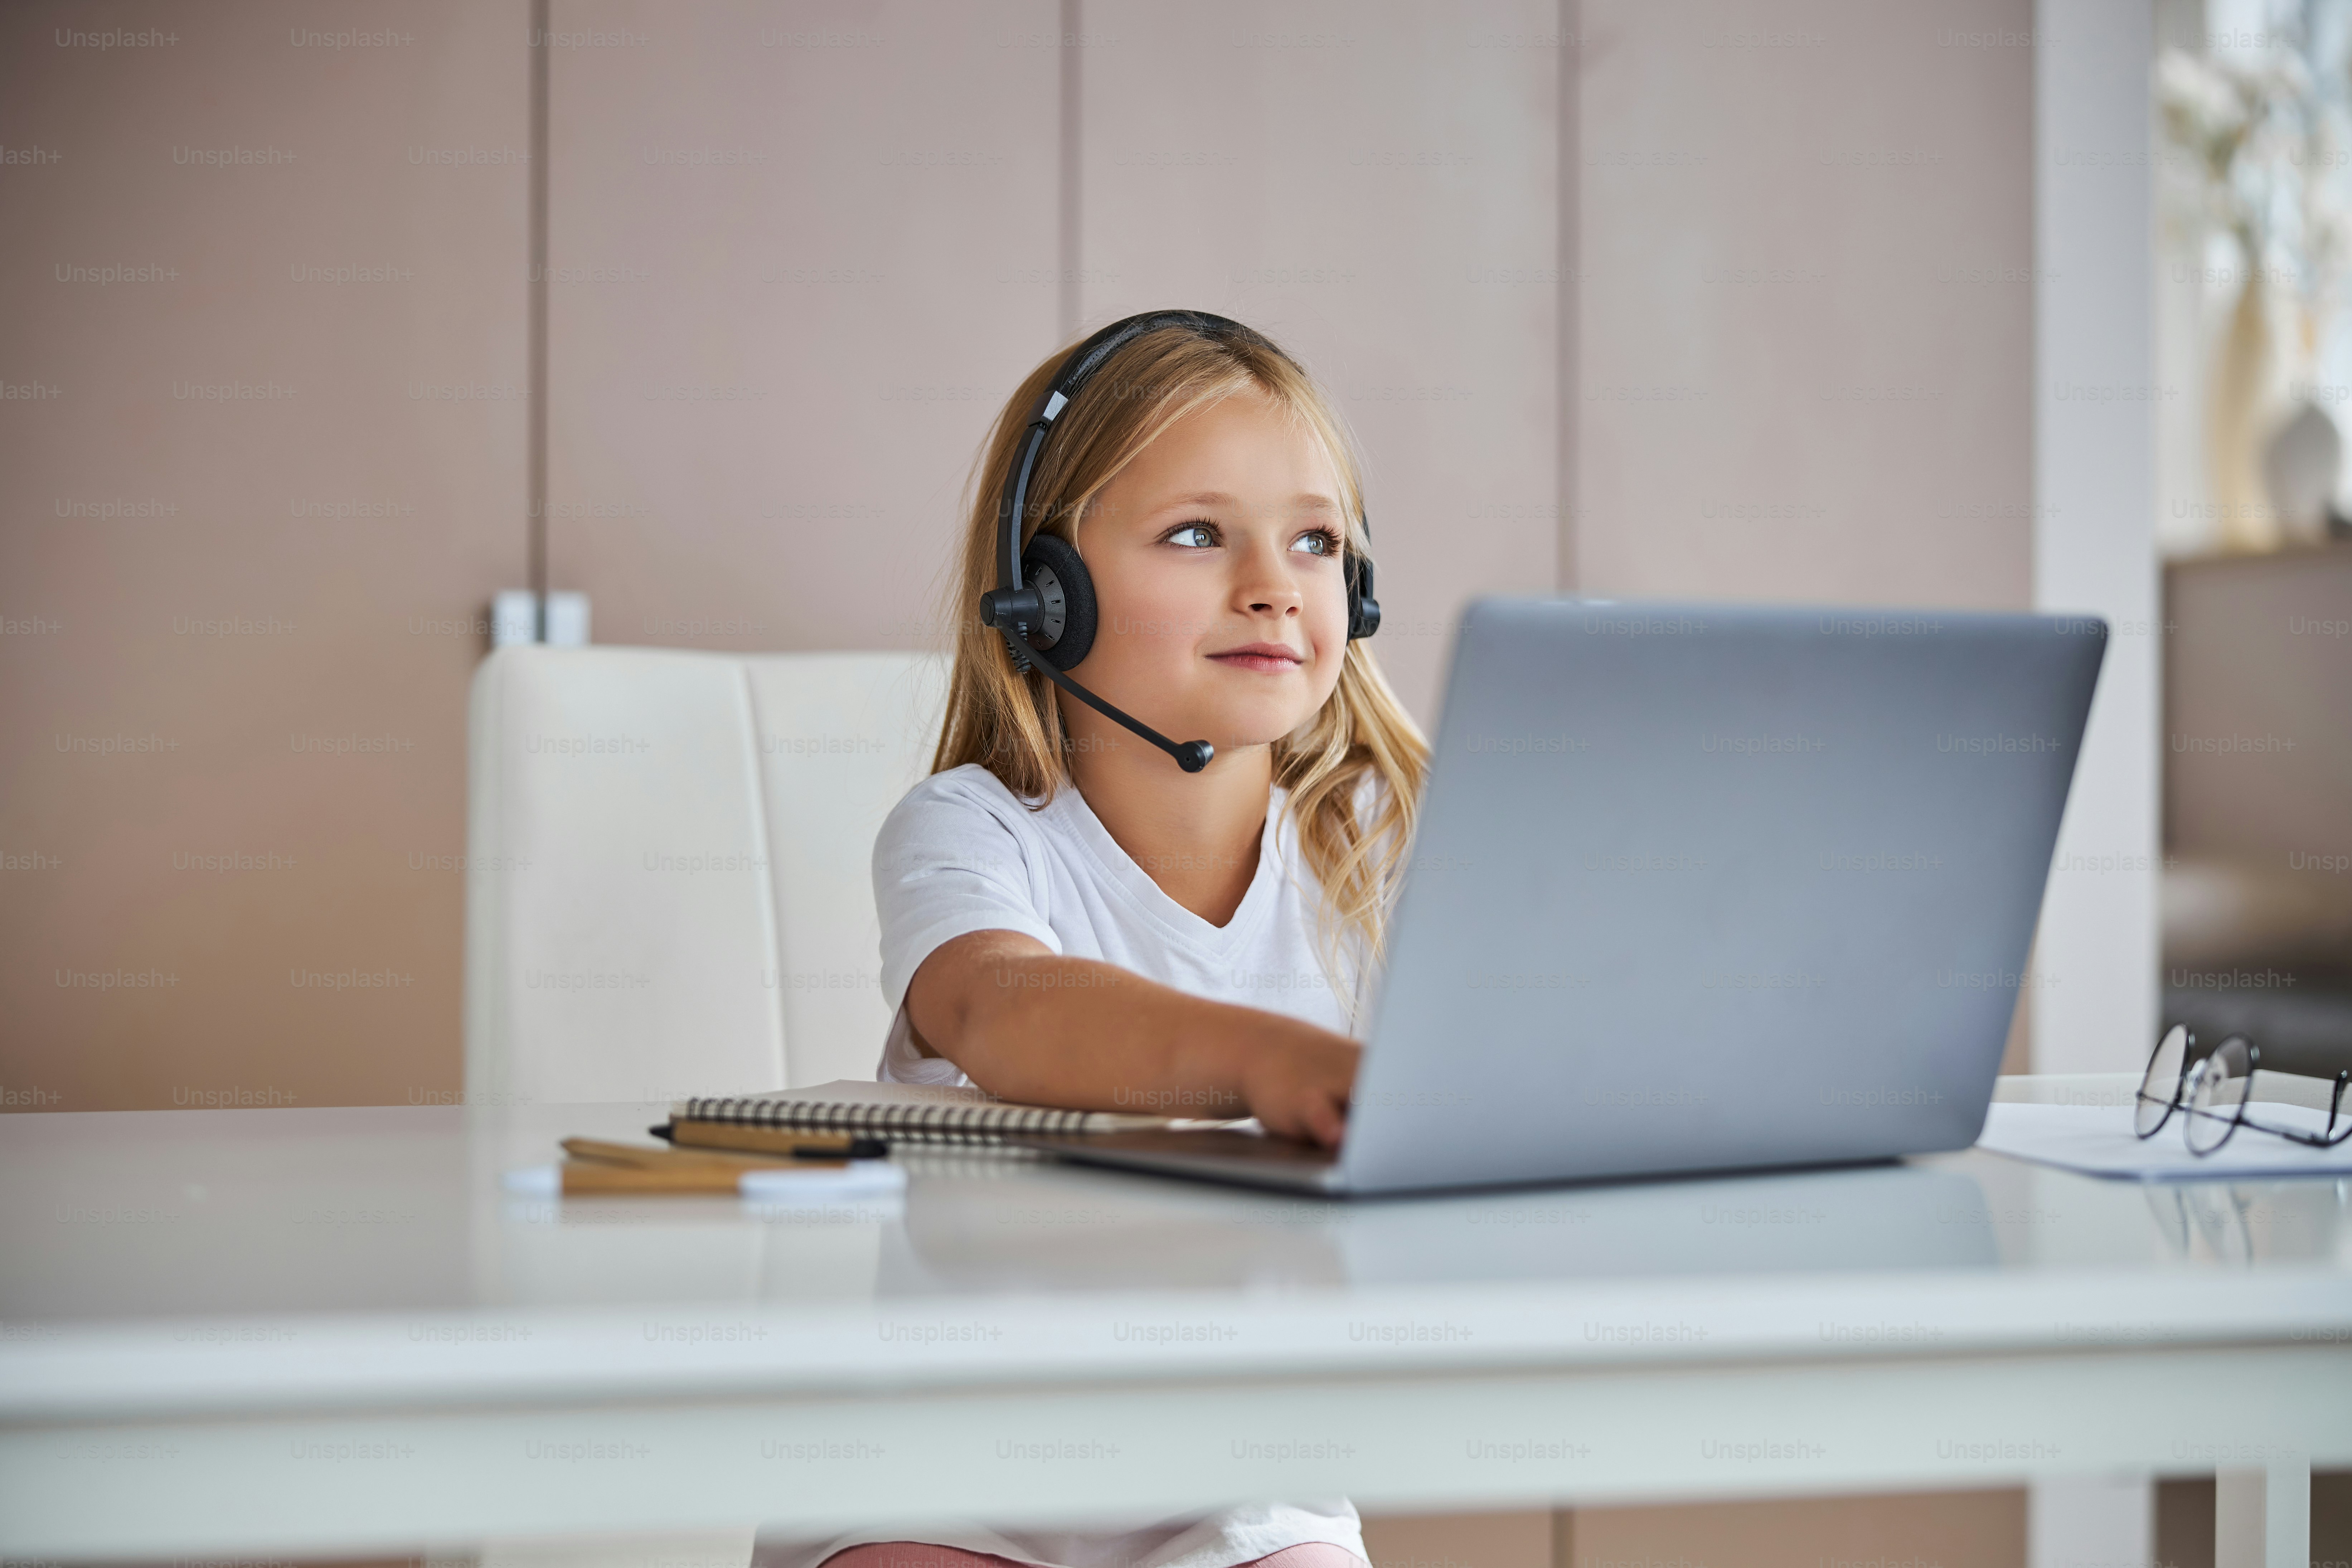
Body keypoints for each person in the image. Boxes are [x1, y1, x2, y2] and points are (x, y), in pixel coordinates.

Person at [799, 315, 1428, 1568]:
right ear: (1047, 593)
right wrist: (1265, 1062)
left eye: (1313, 539)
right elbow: (1005, 1008)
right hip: (944, 1466)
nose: (1272, 582)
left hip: (1250, 1481)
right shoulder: (972, 831)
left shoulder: (1386, 845)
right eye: (1197, 534)